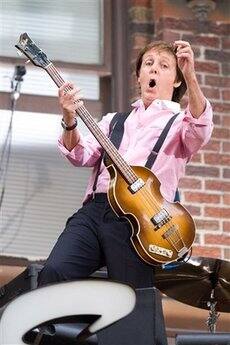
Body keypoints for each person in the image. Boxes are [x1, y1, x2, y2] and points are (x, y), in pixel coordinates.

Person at [38, 40, 213, 290]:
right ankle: (50, 329)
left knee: (131, 299)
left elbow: (201, 129)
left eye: (164, 66)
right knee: (55, 271)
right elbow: (79, 154)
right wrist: (69, 118)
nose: (153, 69)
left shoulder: (179, 123)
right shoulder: (114, 121)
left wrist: (190, 75)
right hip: (96, 211)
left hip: (141, 221)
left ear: (176, 81)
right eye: (148, 64)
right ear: (139, 76)